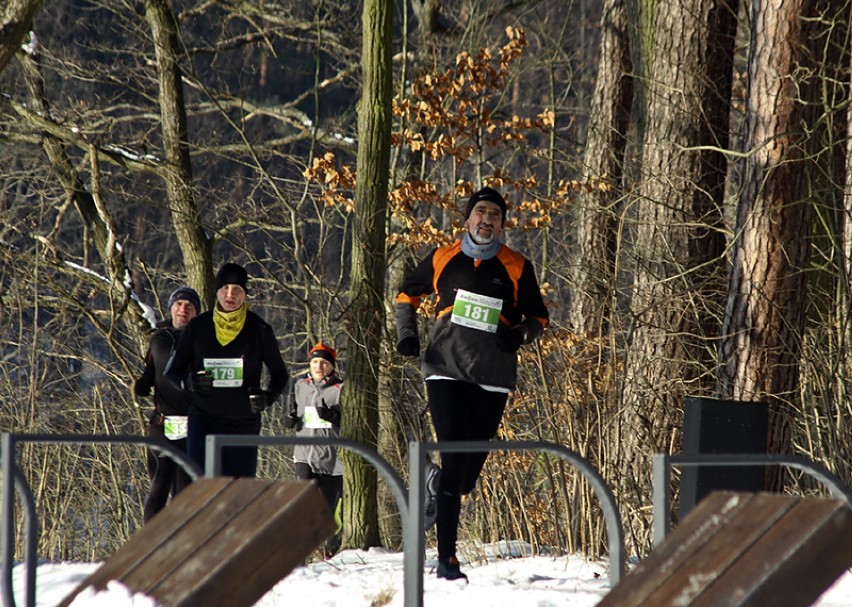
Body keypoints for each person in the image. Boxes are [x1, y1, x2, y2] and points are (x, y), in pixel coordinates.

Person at [394, 186, 549, 581]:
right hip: (445, 369)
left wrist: (519, 335)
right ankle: (447, 560)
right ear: (467, 219)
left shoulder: (516, 266)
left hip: (492, 377)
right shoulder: (444, 257)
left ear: (502, 225)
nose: (486, 220)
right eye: (480, 212)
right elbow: (405, 294)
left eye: (494, 215)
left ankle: (436, 481)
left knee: (464, 478)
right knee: (453, 458)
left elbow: (538, 318)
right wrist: (406, 334)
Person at [165, 262, 289, 477]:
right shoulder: (198, 326)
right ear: (217, 291)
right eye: (225, 288)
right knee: (204, 490)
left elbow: (280, 374)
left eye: (238, 290)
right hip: (204, 420)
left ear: (245, 295)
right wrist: (189, 382)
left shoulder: (259, 329)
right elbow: (173, 371)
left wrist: (267, 397)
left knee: (238, 493)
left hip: (243, 424)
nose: (230, 294)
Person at [134, 286, 201, 522]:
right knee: (159, 485)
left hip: (193, 428)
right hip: (162, 425)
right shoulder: (158, 337)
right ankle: (150, 546)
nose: (184, 309)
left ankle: (179, 550)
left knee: (185, 494)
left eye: (190, 307)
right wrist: (142, 383)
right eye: (179, 304)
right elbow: (150, 371)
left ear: (196, 314)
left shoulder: (202, 340)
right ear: (171, 308)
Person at [284, 342, 344, 556]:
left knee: (327, 508)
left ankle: (331, 548)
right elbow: (295, 412)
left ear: (332, 366)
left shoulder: (340, 389)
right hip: (303, 454)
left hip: (330, 458)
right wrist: (290, 420)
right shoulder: (300, 385)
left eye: (324, 363)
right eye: (315, 362)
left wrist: (333, 416)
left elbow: (352, 423)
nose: (319, 366)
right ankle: (299, 550)